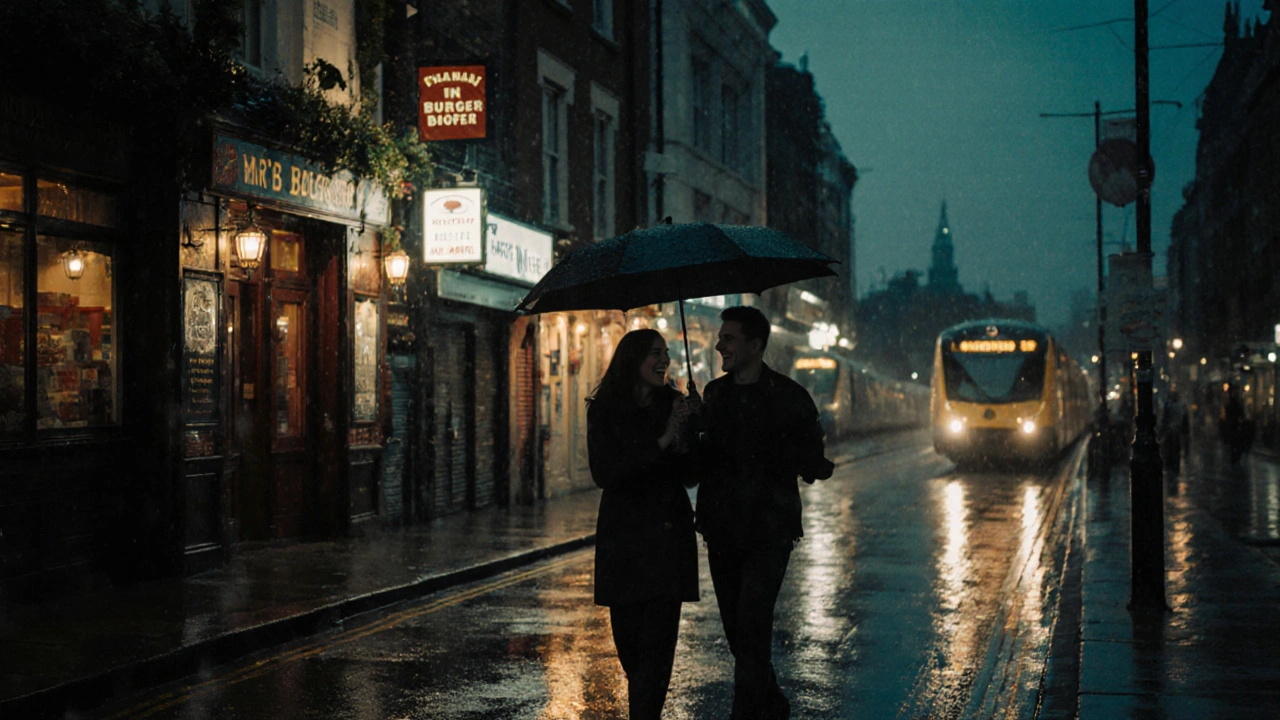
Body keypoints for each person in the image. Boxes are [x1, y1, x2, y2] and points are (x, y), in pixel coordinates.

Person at [692, 306, 834, 720]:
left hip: (768, 531)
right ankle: (771, 702)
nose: (720, 345)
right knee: (737, 631)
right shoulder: (713, 396)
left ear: (756, 345)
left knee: (753, 623)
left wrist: (800, 455)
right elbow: (700, 464)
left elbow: (812, 463)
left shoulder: (790, 397)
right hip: (721, 529)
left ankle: (746, 713)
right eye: (721, 338)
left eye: (730, 338)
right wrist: (694, 426)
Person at [586, 328, 699, 720]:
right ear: (633, 360)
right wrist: (662, 439)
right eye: (655, 354)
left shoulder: (675, 403)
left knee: (656, 653)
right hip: (623, 544)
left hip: (668, 543)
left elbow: (690, 474)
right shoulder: (603, 409)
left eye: (666, 353)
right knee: (631, 650)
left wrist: (693, 430)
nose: (664, 361)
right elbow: (606, 472)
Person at [1159, 390, 1190, 473]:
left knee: (1171, 448)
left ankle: (1170, 465)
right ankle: (1174, 466)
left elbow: (1165, 419)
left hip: (1171, 430)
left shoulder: (1169, 405)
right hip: (1176, 430)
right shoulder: (1181, 406)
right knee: (1175, 448)